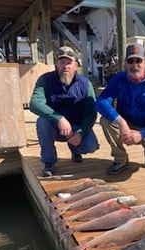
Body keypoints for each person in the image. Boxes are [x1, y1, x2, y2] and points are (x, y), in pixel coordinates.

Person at [95, 43, 145, 175]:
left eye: (139, 60)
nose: (134, 64)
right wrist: (121, 122)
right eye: (130, 61)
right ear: (125, 63)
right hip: (126, 123)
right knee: (105, 121)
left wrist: (142, 135)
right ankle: (121, 160)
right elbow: (101, 102)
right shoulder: (119, 79)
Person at [29, 46, 99, 177]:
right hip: (54, 127)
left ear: (76, 65)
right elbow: (34, 103)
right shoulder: (45, 80)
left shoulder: (85, 83)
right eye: (62, 62)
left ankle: (75, 149)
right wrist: (59, 118)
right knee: (42, 122)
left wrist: (81, 132)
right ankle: (49, 162)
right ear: (56, 64)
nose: (65, 66)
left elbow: (91, 113)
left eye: (69, 62)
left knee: (90, 146)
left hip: (77, 126)